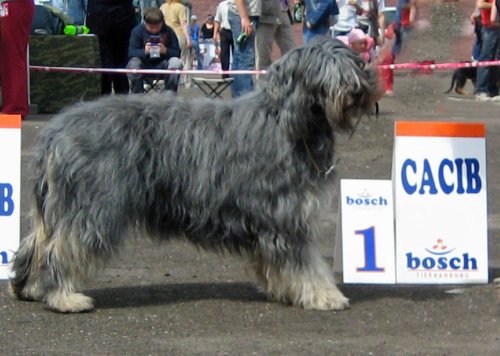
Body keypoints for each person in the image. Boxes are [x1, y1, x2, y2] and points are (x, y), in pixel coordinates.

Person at [126, 7, 182, 93]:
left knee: (176, 62)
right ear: (145, 23)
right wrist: (144, 51)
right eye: (151, 27)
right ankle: (137, 96)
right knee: (133, 63)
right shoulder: (137, 31)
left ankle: (169, 96)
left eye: (157, 27)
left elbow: (177, 52)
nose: (154, 30)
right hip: (144, 64)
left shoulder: (169, 31)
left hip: (163, 65)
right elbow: (131, 53)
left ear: (162, 23)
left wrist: (165, 51)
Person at [87, 0, 136, 95]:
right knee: (119, 63)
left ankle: (105, 98)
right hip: (123, 20)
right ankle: (121, 98)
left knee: (104, 63)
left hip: (101, 20)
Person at [0, 0, 35, 118]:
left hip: (14, 5)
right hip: (11, 5)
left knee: (12, 57)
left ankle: (15, 108)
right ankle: (13, 107)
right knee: (9, 57)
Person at [227, 0, 262, 97]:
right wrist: (244, 18)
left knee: (239, 58)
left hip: (244, 14)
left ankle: (237, 96)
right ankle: (245, 97)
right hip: (244, 15)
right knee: (245, 58)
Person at [255, 0, 295, 78]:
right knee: (263, 57)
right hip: (265, 15)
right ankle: (262, 85)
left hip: (283, 10)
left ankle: (291, 82)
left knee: (292, 51)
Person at [160, 0, 192, 87]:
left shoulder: (163, 7)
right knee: (185, 59)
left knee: (168, 58)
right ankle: (187, 82)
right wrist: (188, 38)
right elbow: (183, 23)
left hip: (166, 36)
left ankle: (169, 80)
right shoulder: (180, 7)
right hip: (179, 34)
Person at [475, 0, 500, 100]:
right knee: (486, 58)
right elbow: (480, 4)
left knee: (496, 60)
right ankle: (481, 90)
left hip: (498, 27)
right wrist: (496, 5)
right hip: (489, 27)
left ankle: (493, 90)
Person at [214, 0, 234, 78]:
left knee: (236, 53)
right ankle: (225, 75)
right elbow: (217, 20)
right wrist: (215, 33)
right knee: (224, 54)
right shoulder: (221, 5)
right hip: (224, 31)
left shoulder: (237, 4)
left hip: (235, 31)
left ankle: (236, 74)